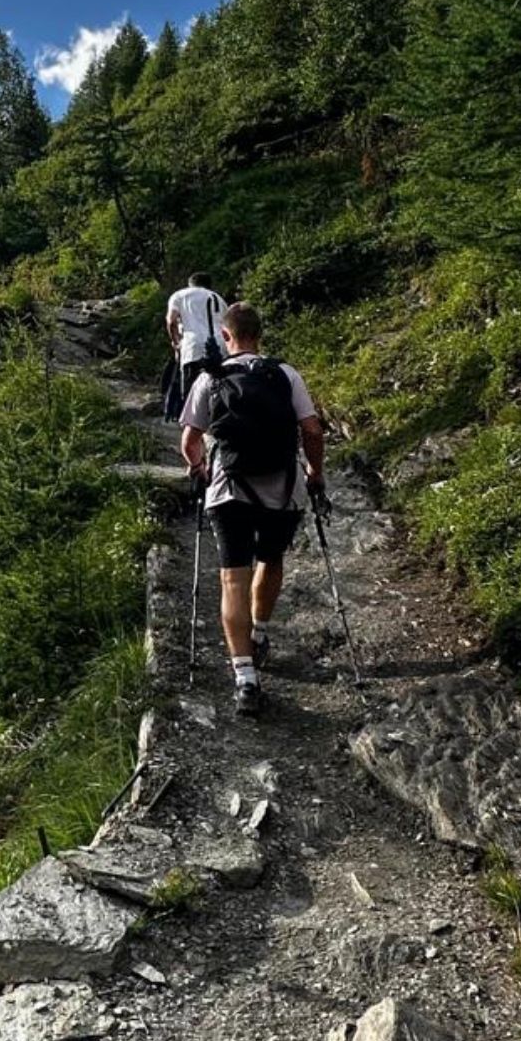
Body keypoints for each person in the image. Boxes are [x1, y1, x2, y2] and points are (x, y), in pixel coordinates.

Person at [178, 302, 327, 718]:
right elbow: (312, 429)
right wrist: (315, 473)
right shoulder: (285, 373)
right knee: (271, 558)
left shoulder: (213, 377)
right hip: (283, 488)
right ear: (260, 333)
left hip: (230, 490)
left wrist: (200, 468)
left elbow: (190, 440)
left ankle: (245, 678)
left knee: (232, 580)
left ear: (226, 337)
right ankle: (259, 633)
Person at [165, 272, 227, 407]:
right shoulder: (218, 298)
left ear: (190, 284)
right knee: (217, 394)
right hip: (219, 348)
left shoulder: (179, 295)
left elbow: (171, 321)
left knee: (191, 397)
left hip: (192, 348)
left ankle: (193, 425)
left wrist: (176, 344)